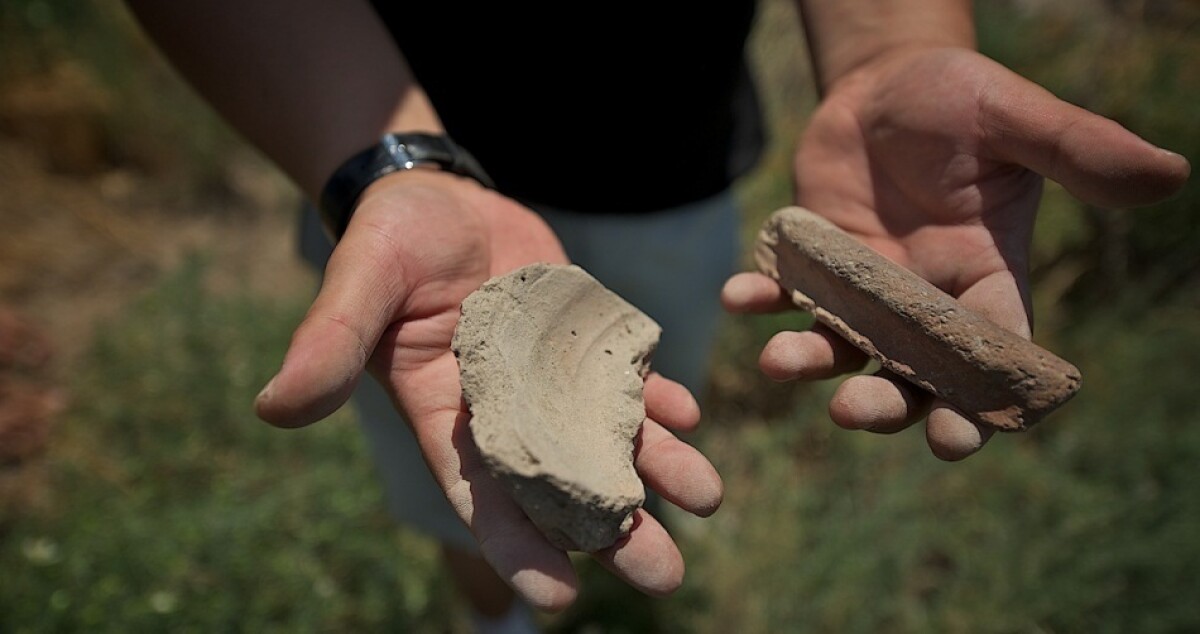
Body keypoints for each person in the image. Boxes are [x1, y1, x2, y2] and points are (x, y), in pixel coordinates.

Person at [123, 0, 1190, 630]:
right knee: (452, 479)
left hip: (673, 170)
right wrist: (382, 158)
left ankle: (536, 560)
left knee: (640, 402)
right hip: (386, 177)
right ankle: (489, 610)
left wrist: (883, 48)